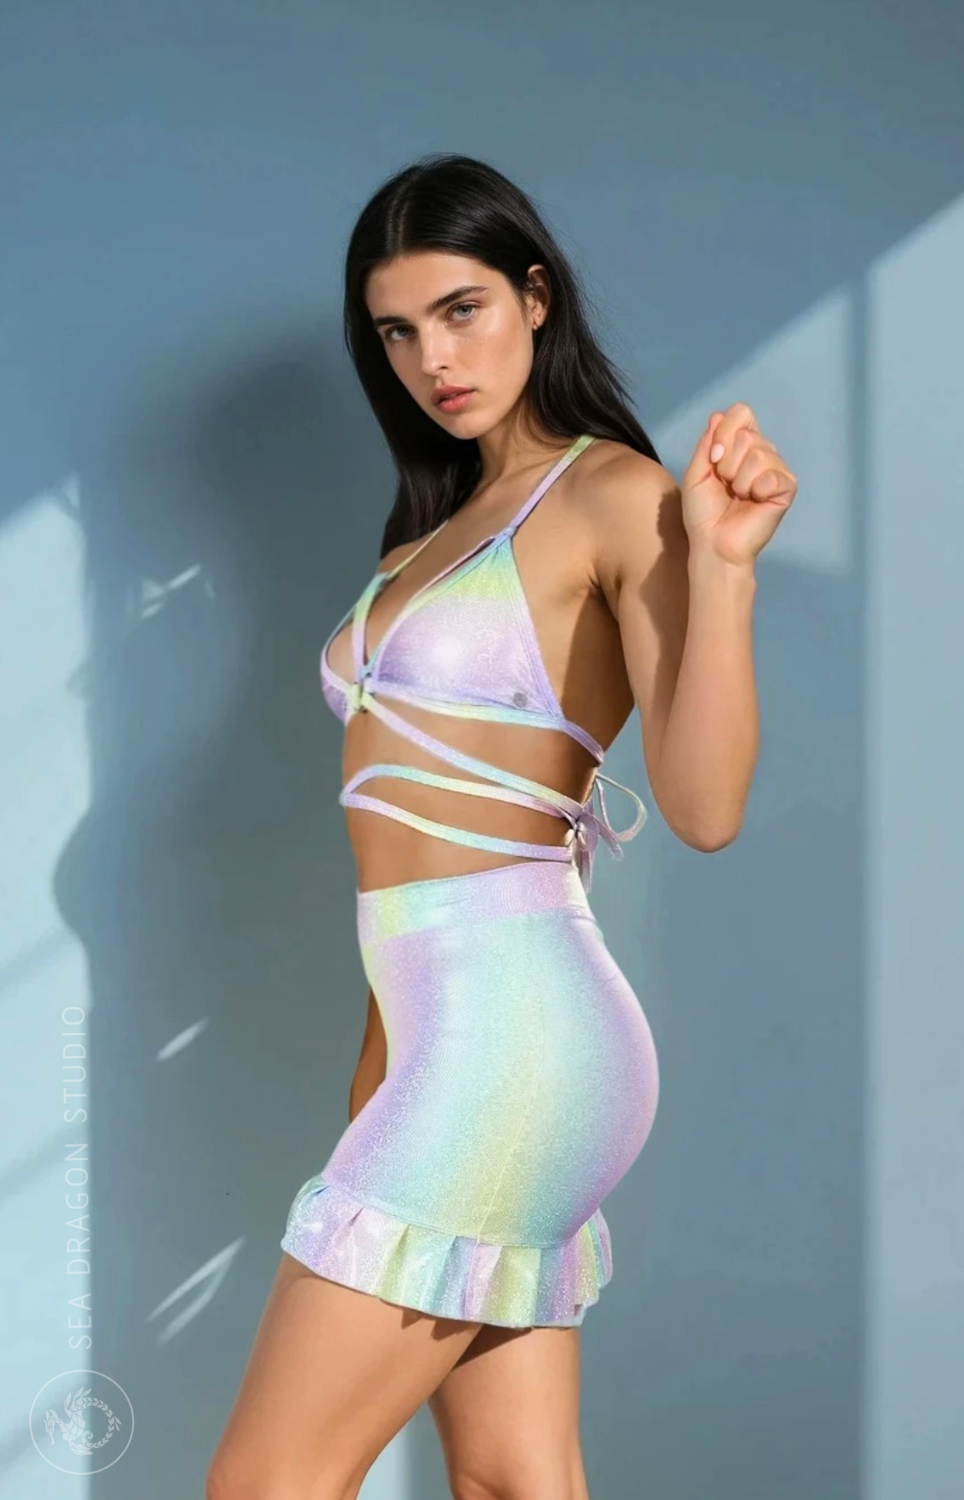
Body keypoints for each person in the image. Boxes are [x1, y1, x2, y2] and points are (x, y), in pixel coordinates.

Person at [206, 152, 797, 1500]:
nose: (433, 358)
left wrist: (722, 570)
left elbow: (703, 807)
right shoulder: (420, 540)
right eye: (396, 331)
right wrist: (375, 1093)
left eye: (461, 309)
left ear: (537, 297)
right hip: (435, 1039)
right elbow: (395, 892)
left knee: (267, 1484)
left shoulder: (612, 495)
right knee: (512, 1481)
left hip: (519, 1039)